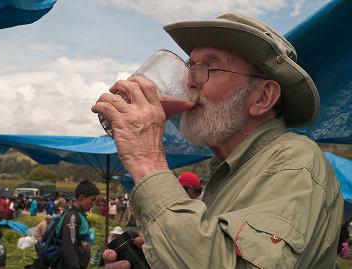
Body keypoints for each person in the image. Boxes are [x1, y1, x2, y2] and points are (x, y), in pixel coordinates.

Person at [93, 11, 344, 269]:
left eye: (208, 68)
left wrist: (146, 161)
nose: (188, 80)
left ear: (262, 98)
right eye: (190, 66)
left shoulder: (294, 160)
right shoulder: (231, 170)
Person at [52, 180, 99, 269]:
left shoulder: (80, 215)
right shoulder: (72, 217)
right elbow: (69, 247)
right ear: (81, 197)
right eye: (92, 200)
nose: (93, 204)